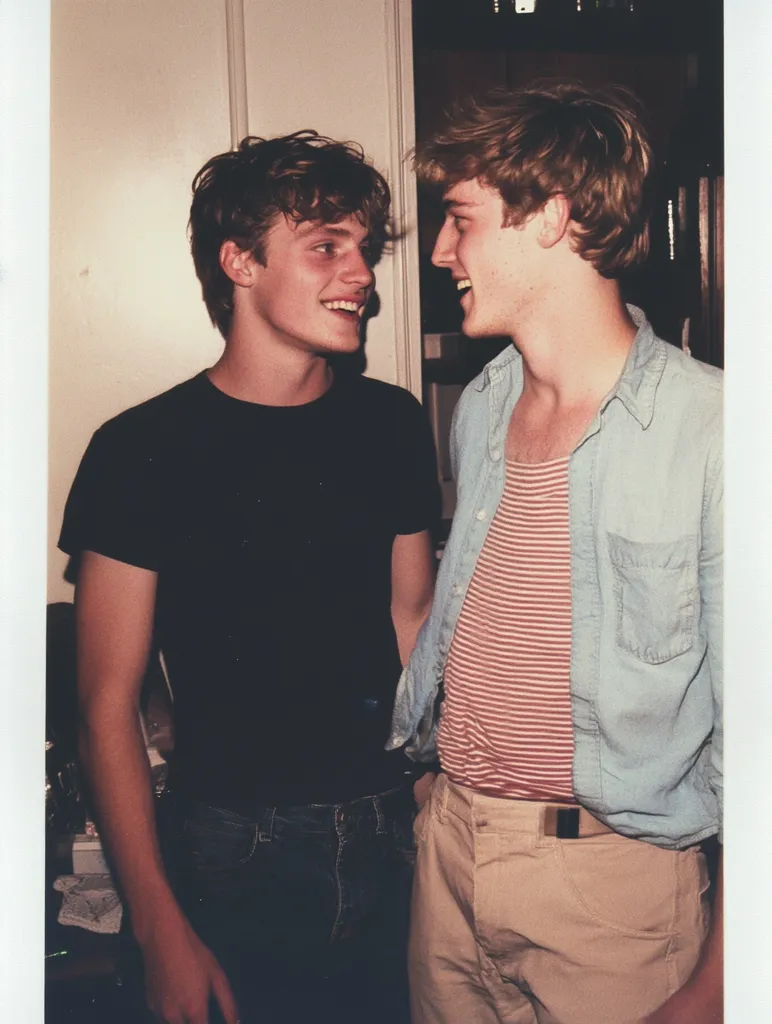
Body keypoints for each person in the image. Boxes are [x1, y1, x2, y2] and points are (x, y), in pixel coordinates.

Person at [59, 130, 440, 1024]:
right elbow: (105, 706)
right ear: (239, 262)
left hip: (396, 831)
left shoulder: (390, 422)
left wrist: (435, 810)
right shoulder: (140, 450)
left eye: (364, 250)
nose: (362, 276)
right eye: (326, 247)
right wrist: (159, 930)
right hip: (235, 846)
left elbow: (412, 623)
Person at [388, 81, 722, 1024]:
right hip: (449, 859)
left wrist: (726, 976)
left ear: (551, 216)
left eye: (460, 220)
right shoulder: (485, 404)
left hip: (612, 895)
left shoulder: (717, 429)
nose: (443, 252)